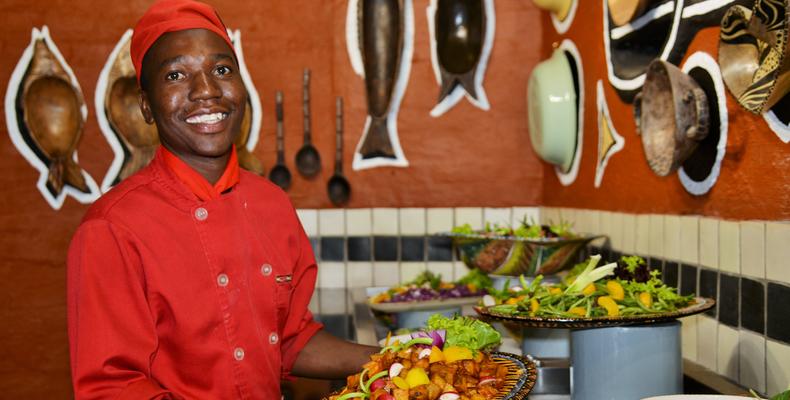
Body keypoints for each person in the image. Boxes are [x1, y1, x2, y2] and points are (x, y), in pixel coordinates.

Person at [66, 1, 377, 398]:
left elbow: (287, 341)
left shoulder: (272, 204)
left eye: (222, 70)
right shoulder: (112, 229)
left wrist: (400, 354)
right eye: (176, 75)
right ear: (146, 105)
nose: (206, 91)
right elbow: (112, 388)